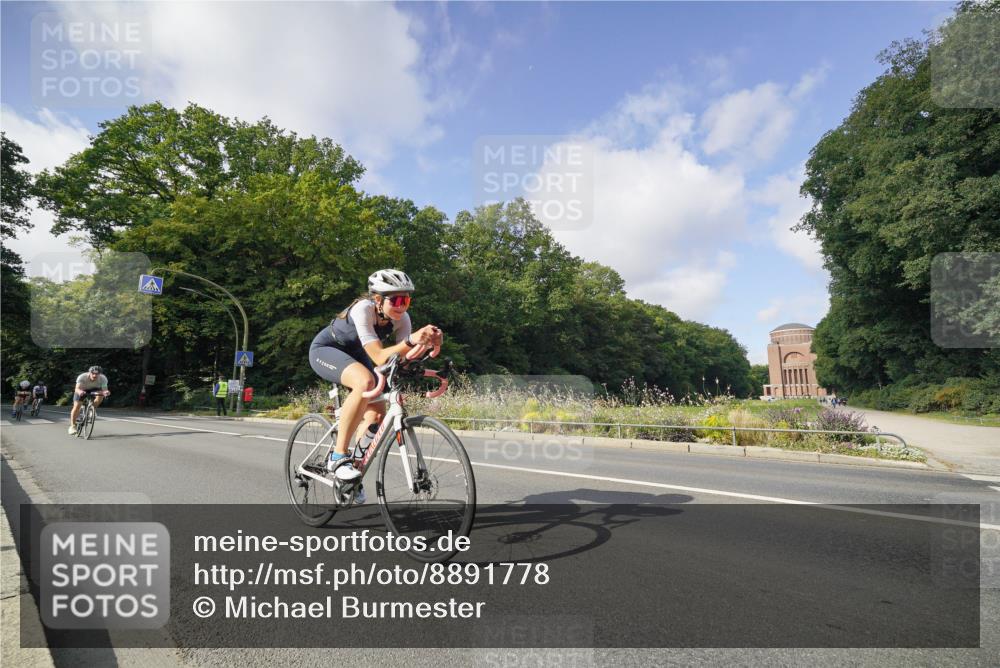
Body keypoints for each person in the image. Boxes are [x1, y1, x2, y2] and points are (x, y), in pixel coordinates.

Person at [309, 269, 442, 502]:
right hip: (327, 350)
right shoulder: (363, 309)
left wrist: (428, 347)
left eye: (407, 300)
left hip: (358, 356)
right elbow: (380, 357)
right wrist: (412, 340)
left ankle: (352, 475)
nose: (402, 306)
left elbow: (402, 356)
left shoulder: (402, 319)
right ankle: (338, 457)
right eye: (397, 300)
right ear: (378, 300)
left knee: (378, 414)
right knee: (366, 381)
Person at [69, 366, 110, 434]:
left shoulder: (103, 378)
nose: (94, 375)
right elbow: (76, 389)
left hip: (94, 389)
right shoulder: (82, 377)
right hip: (82, 390)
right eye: (93, 373)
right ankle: (72, 426)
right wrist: (80, 392)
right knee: (76, 406)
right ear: (89, 372)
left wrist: (106, 392)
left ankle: (92, 409)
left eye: (97, 374)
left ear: (100, 374)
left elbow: (104, 390)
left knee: (101, 395)